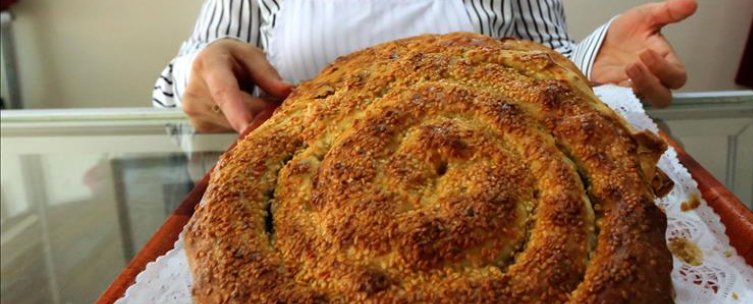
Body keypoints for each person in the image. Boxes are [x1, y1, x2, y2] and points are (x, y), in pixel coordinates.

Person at [154, 0, 697, 133]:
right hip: (305, 197)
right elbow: (168, 91)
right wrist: (197, 78)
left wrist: (591, 63)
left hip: (485, 168)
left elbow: (541, 64)